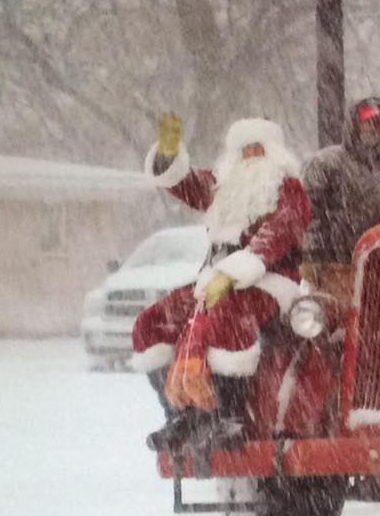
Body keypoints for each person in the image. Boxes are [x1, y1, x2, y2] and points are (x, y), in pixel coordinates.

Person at [132, 114, 311, 451]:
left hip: (271, 280)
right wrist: (168, 158)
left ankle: (231, 415)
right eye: (244, 150)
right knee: (152, 322)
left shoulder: (289, 189)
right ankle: (179, 414)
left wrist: (236, 271)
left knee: (228, 316)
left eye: (258, 149)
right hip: (215, 282)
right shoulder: (224, 187)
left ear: (274, 152)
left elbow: (278, 233)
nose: (251, 157)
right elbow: (187, 184)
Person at [301, 97, 380, 303]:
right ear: (354, 124)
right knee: (340, 320)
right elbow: (309, 216)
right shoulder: (326, 165)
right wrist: (311, 259)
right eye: (365, 121)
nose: (371, 128)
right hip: (338, 270)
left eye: (377, 122)